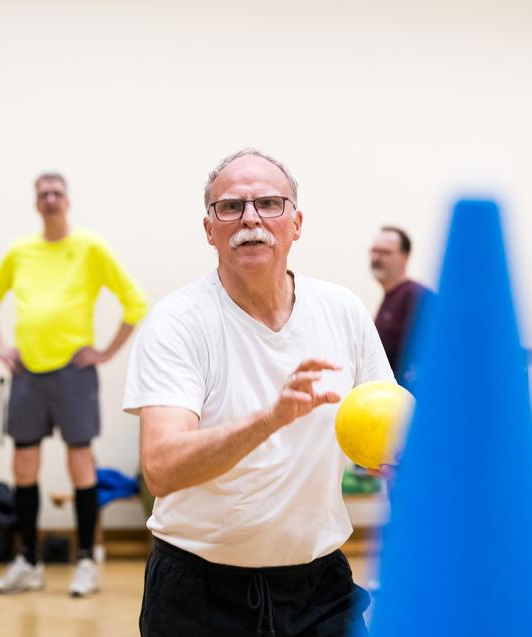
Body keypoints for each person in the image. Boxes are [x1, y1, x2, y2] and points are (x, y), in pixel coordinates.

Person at [123, 149, 394, 637]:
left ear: (297, 223)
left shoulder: (342, 311)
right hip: (197, 597)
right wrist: (270, 418)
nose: (250, 219)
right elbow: (161, 467)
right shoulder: (177, 322)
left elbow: (388, 429)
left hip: (320, 589)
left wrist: (400, 458)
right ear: (210, 230)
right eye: (230, 207)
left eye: (269, 203)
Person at [0, 172, 148, 597]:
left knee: (80, 465)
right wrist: (0, 346)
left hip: (74, 373)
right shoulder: (21, 252)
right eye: (43, 194)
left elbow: (134, 301)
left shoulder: (90, 247)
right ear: (36, 204)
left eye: (57, 193)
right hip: (28, 374)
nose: (51, 199)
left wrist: (106, 351)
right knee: (23, 467)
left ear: (67, 201)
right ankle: (29, 562)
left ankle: (86, 562)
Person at [370, 227, 431, 386]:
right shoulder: (389, 297)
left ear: (405, 256)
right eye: (374, 251)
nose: (376, 257)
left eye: (385, 252)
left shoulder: (418, 296)